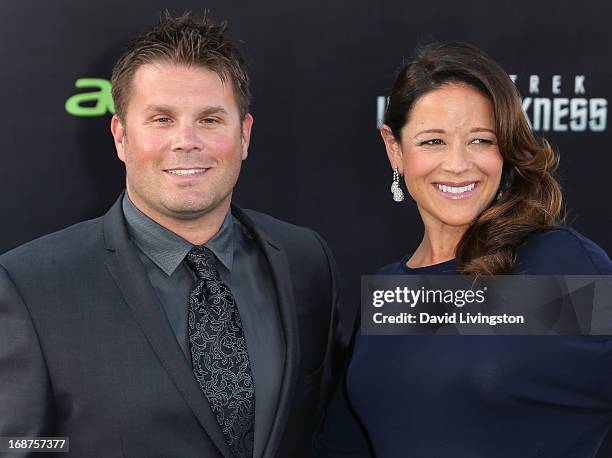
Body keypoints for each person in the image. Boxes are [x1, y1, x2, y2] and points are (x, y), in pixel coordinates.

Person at [0, 11, 347, 458]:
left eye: (209, 119)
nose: (186, 141)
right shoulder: (30, 285)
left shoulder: (305, 260)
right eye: (161, 119)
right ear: (121, 136)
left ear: (244, 135)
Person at [313, 42, 612, 458]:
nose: (457, 164)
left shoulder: (556, 266)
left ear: (505, 149)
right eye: (433, 141)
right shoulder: (390, 292)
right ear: (394, 149)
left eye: (480, 140)